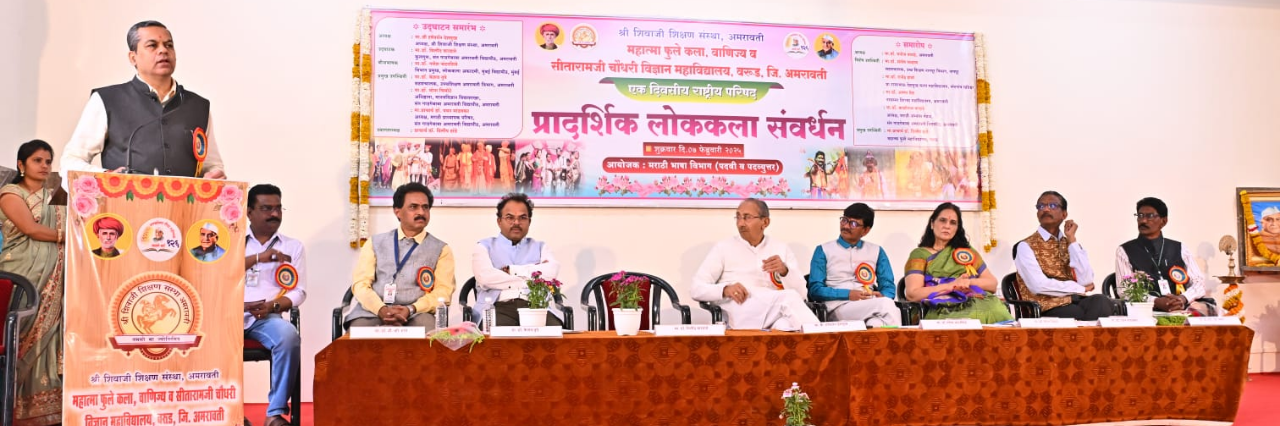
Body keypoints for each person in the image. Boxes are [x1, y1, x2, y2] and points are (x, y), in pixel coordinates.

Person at [61, 21, 225, 179]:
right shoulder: (107, 100)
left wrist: (214, 175)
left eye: (169, 45)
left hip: (186, 200)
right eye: (152, 45)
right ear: (133, 58)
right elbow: (71, 161)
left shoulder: (197, 106)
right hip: (124, 198)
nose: (163, 50)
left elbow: (212, 166)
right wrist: (107, 177)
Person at [0, 140, 65, 425]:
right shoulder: (10, 193)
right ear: (21, 164)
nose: (45, 166)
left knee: (48, 338)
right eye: (37, 160)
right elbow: (30, 229)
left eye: (48, 161)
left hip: (52, 276)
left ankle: (42, 409)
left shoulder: (54, 196)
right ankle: (10, 406)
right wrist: (68, 235)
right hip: (21, 275)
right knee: (18, 335)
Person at [691, 199, 820, 330]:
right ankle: (824, 335)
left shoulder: (780, 248)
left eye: (747, 217)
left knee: (788, 326)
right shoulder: (723, 248)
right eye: (738, 217)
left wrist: (785, 272)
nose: (741, 223)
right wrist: (725, 289)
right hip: (739, 310)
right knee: (789, 298)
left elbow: (801, 294)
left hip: (774, 312)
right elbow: (696, 289)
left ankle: (821, 338)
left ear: (765, 222)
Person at [347, 183, 456, 328]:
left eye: (425, 207)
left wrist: (411, 309)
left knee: (427, 329)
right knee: (358, 332)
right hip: (373, 312)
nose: (421, 212)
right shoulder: (375, 243)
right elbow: (360, 284)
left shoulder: (441, 249)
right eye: (413, 207)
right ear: (397, 212)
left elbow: (443, 291)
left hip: (418, 312)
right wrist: (381, 309)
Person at [241, 184, 304, 426]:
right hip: (229, 316)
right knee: (209, 339)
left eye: (278, 208)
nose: (274, 214)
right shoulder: (232, 242)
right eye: (267, 208)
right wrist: (258, 258)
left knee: (288, 336)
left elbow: (299, 291)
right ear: (249, 212)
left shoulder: (292, 247)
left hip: (267, 317)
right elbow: (220, 271)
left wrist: (272, 307)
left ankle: (274, 414)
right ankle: (230, 411)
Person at [1013, 191, 1114, 320]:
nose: (1046, 209)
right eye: (1041, 206)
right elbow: (1038, 285)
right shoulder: (1025, 246)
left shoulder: (1070, 244)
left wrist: (1072, 239)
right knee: (1077, 313)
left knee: (1102, 302)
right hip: (1045, 307)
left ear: (1064, 214)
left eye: (1052, 205)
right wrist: (1078, 288)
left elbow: (1086, 280)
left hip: (1074, 301)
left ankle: (1088, 333)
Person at [903, 202, 1011, 323]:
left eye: (953, 222)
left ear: (957, 228)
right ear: (932, 224)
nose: (947, 226)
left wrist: (967, 282)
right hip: (940, 306)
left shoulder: (966, 252)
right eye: (942, 220)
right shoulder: (919, 254)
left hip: (973, 300)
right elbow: (912, 294)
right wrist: (951, 286)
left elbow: (992, 284)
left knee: (996, 309)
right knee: (968, 317)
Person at [471, 193, 562, 326]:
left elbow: (550, 274)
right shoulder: (484, 246)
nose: (516, 223)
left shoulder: (541, 247)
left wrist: (512, 271)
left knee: (555, 333)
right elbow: (485, 278)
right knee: (498, 336)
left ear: (529, 221)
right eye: (510, 217)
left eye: (522, 217)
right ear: (499, 221)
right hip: (497, 307)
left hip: (536, 307)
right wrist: (531, 278)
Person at [1115, 197, 1214, 316]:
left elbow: (1199, 282)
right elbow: (1124, 290)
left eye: (1150, 216)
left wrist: (1183, 298)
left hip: (1181, 310)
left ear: (1164, 221)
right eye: (1140, 215)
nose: (1143, 220)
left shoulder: (1180, 248)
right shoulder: (1124, 251)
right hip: (1145, 313)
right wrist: (1155, 301)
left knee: (1208, 310)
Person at [807, 203, 901, 326]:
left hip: (870, 304)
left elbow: (888, 285)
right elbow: (815, 290)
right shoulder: (823, 250)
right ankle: (904, 338)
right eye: (844, 220)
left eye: (854, 224)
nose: (846, 226)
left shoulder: (876, 251)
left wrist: (883, 295)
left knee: (876, 323)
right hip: (838, 307)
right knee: (887, 305)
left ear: (865, 230)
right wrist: (848, 294)